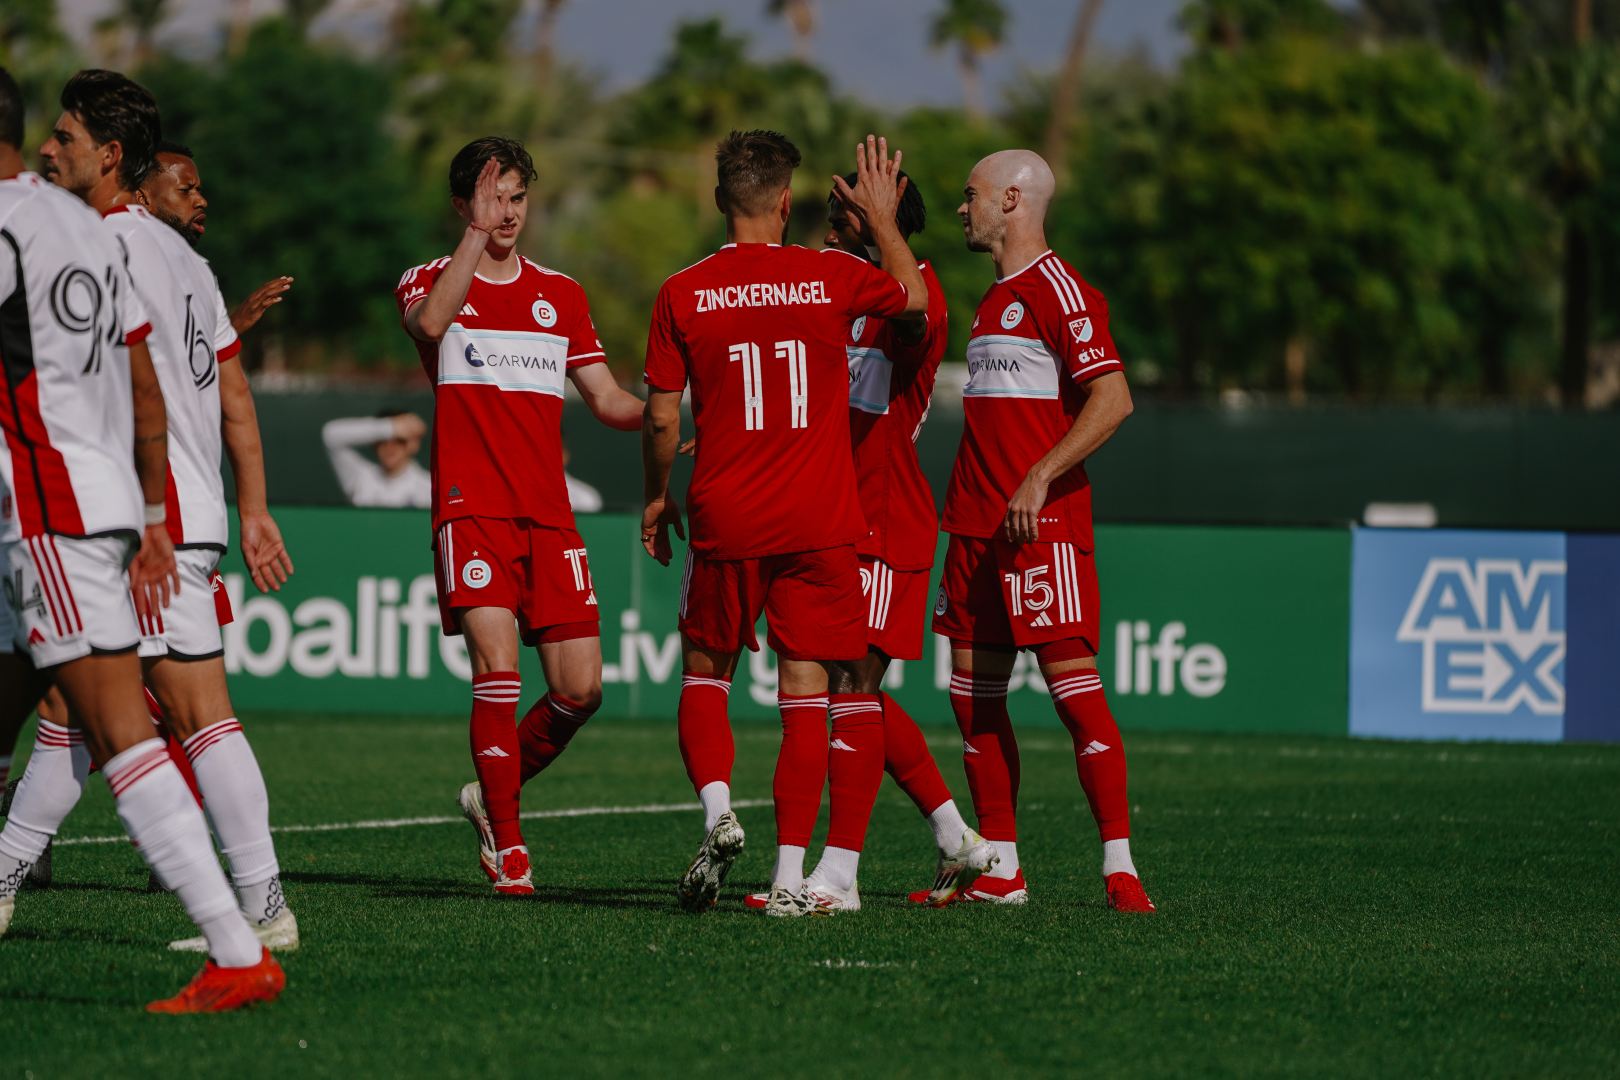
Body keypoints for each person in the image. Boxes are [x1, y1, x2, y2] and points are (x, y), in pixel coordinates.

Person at [0, 65, 284, 1012]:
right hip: (148, 511)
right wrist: (204, 510)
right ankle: (257, 916)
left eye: (69, 137)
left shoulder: (84, 238)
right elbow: (198, 386)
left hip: (92, 516)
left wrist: (155, 517)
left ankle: (240, 935)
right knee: (115, 714)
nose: (53, 148)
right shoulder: (155, 251)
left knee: (107, 720)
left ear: (107, 154)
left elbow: (146, 387)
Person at [641, 131, 928, 916]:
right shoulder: (830, 273)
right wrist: (882, 218)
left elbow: (663, 418)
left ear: (718, 200)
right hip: (821, 520)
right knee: (807, 694)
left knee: (706, 673)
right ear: (783, 202)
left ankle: (716, 812)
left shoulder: (682, 291)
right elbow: (916, 300)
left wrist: (658, 494)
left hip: (728, 514)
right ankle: (791, 879)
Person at [396, 136, 643, 896]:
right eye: (493, 196)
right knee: (496, 671)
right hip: (473, 510)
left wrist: (676, 411)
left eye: (517, 197)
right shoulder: (427, 280)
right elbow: (431, 328)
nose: (508, 211)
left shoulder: (561, 294)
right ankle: (510, 845)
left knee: (581, 690)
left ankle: (488, 795)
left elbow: (605, 399)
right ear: (464, 204)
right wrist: (473, 236)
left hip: (549, 516)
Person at [744, 170, 993, 912]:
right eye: (845, 195)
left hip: (882, 520)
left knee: (850, 689)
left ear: (884, 217)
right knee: (849, 694)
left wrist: (883, 222)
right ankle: (955, 838)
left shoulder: (919, 291)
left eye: (856, 200)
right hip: (819, 521)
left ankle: (840, 879)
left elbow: (911, 317)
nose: (836, 206)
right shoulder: (823, 286)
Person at [932, 148, 1154, 912]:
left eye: (972, 195)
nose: (962, 209)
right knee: (973, 702)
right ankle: (1002, 870)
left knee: (1075, 699)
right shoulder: (993, 299)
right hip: (973, 528)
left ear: (1014, 200)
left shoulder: (1062, 290)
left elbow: (1114, 398)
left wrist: (1039, 474)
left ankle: (1119, 869)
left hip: (1041, 526)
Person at [138, 139, 294, 334]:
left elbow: (194, 359)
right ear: (143, 198)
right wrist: (235, 324)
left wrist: (233, 327)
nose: (202, 201)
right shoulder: (122, 264)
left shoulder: (201, 273)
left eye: (199, 191)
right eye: (185, 191)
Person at [321, 409, 432, 508]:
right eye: (382, 440)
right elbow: (331, 435)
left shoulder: (428, 487)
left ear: (413, 444)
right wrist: (390, 427)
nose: (390, 447)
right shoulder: (360, 477)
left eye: (399, 440)